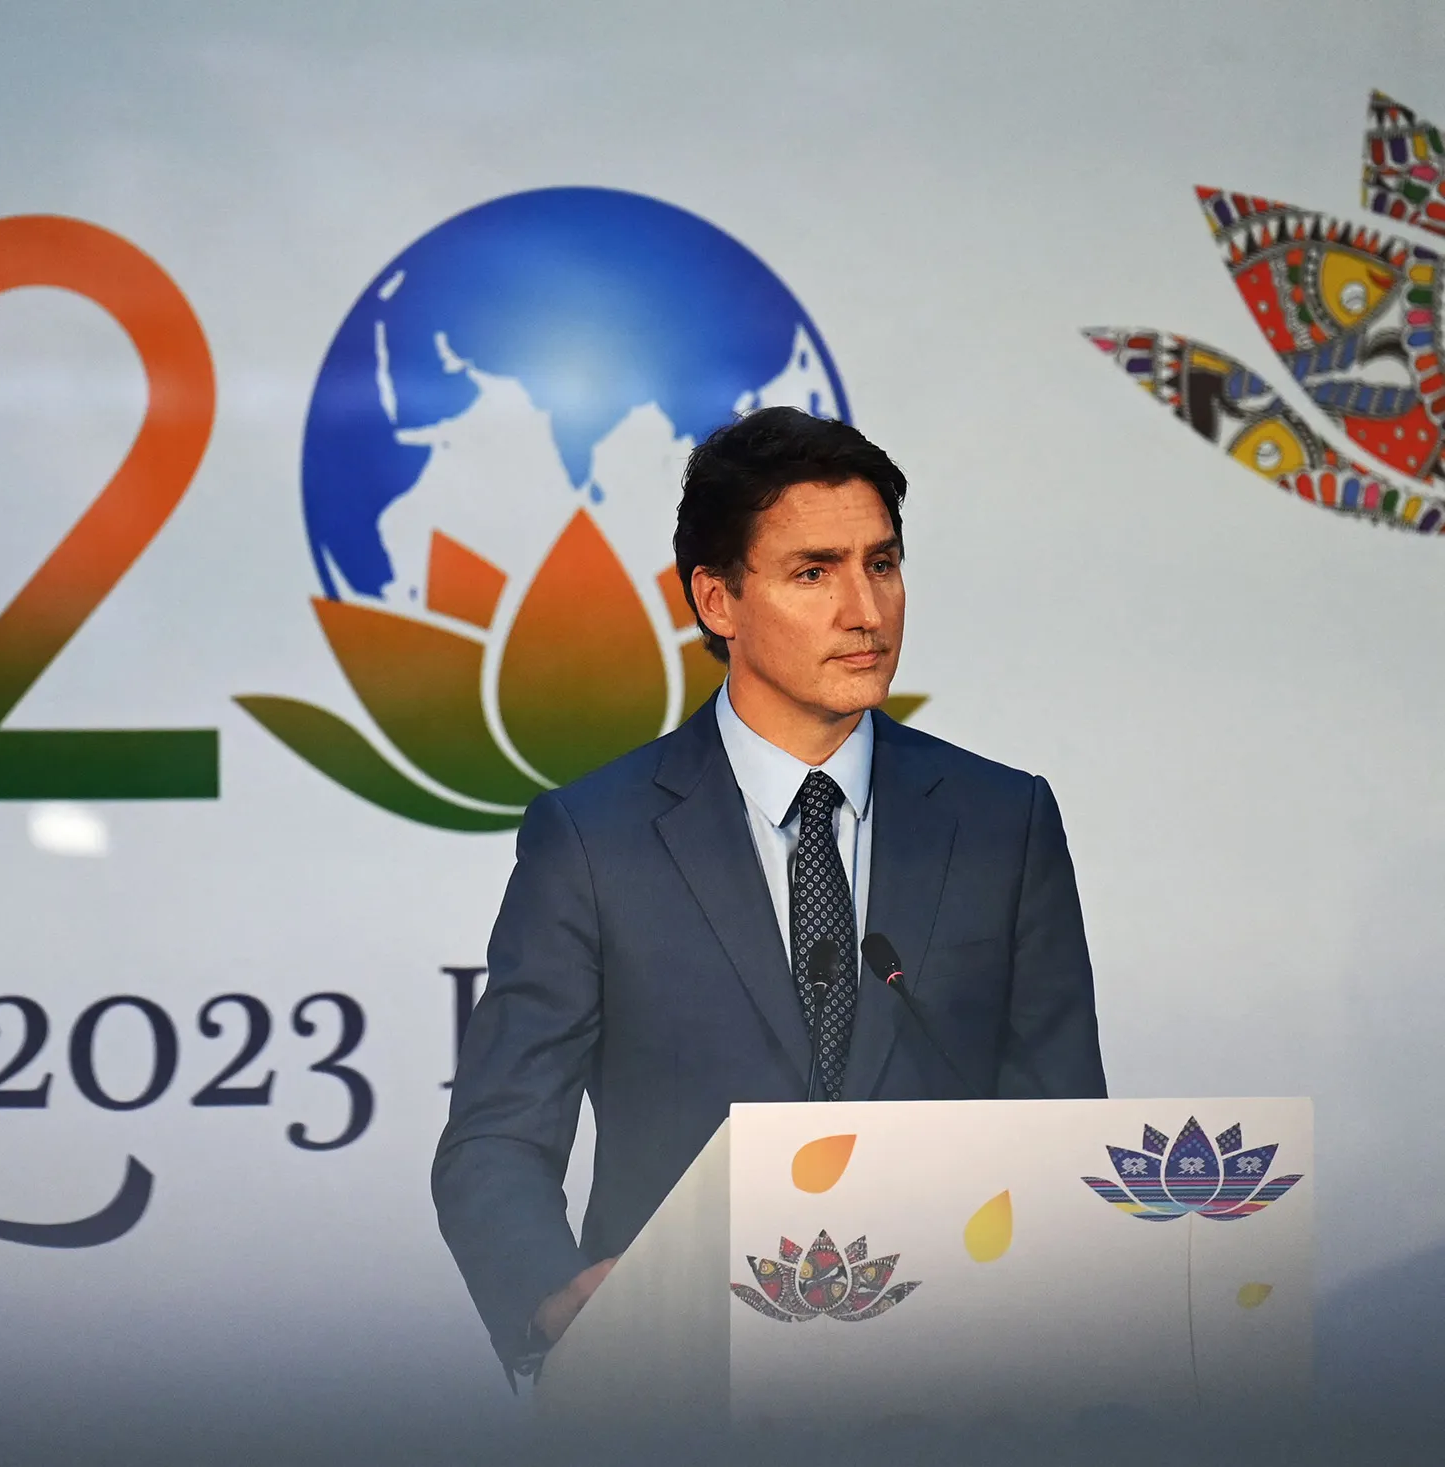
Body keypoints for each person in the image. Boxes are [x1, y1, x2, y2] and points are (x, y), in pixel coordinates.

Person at [430, 406, 1106, 1376]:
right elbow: (495, 1138)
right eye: (812, 572)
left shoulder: (1003, 822)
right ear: (718, 600)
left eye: (881, 563)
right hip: (679, 1376)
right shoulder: (594, 839)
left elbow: (1060, 1124)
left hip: (955, 1378)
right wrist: (557, 1296)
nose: (865, 611)